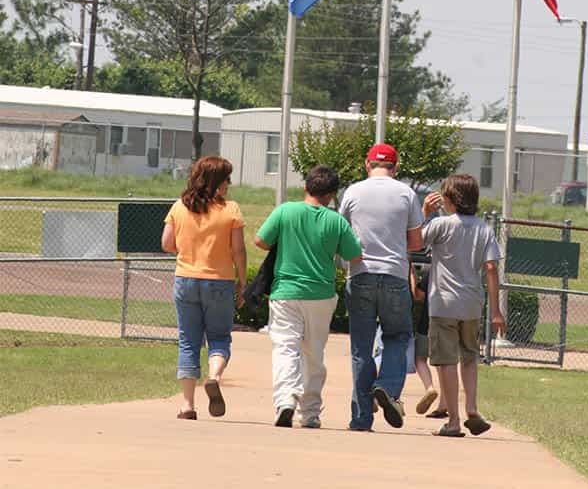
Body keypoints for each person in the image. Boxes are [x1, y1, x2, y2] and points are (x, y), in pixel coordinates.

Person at [255, 165, 362, 429]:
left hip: (286, 291)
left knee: (285, 347)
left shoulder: (286, 211)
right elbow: (354, 256)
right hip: (321, 294)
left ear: (306, 187)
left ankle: (285, 400)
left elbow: (260, 241)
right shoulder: (336, 220)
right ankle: (310, 412)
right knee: (314, 354)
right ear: (332, 194)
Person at [339, 142, 423, 432]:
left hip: (359, 273)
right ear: (395, 167)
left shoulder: (352, 192)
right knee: (398, 337)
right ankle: (387, 386)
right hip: (395, 275)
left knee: (361, 348)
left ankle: (361, 418)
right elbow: (416, 243)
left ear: (367, 164)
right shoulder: (407, 194)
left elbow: (341, 233)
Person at [161, 155, 246, 421]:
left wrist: (187, 246)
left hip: (185, 278)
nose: (228, 184)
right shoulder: (230, 209)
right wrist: (242, 282)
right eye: (226, 179)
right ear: (217, 182)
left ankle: (187, 406)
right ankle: (214, 376)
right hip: (219, 280)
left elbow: (167, 243)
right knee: (219, 337)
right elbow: (239, 250)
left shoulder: (179, 207)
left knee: (188, 341)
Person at [421, 173, 505, 438]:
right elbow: (491, 267)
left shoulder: (441, 225)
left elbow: (415, 242)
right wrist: (496, 311)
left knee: (445, 361)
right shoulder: (484, 228)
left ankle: (454, 421)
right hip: (472, 304)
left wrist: (425, 214)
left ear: (449, 199)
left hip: (443, 304)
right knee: (469, 357)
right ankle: (472, 407)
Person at [409, 264, 443, 417]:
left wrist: (412, 276)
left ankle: (429, 387)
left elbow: (418, 295)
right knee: (445, 364)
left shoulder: (431, 270)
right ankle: (444, 404)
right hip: (453, 319)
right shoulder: (461, 267)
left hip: (428, 321)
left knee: (420, 359)